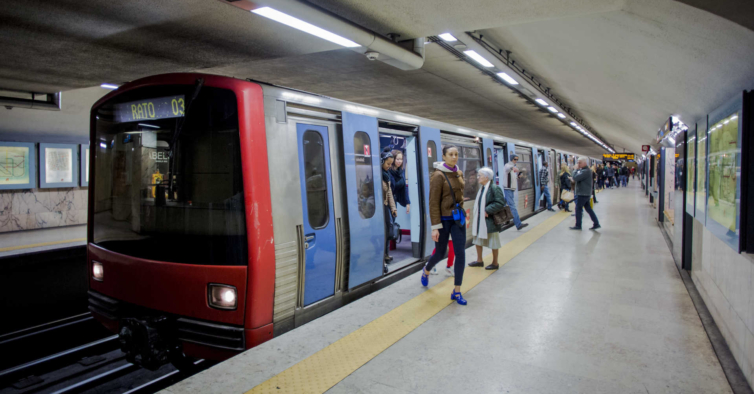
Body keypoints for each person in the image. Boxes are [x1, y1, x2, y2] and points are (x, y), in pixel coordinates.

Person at [421, 145, 468, 305]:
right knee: (441, 253)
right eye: (451, 154)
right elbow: (433, 203)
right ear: (444, 156)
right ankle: (426, 270)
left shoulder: (459, 173)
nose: (454, 157)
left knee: (460, 253)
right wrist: (435, 227)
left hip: (457, 219)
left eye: (456, 154)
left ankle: (457, 291)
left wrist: (463, 213)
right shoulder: (438, 175)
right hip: (443, 220)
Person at [468, 167, 506, 270]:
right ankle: (479, 260)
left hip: (490, 220)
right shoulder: (482, 188)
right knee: (477, 240)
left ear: (486, 177)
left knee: (493, 241)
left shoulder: (494, 188)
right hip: (480, 220)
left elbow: (500, 202)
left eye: (479, 175)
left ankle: (495, 263)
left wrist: (487, 210)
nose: (477, 178)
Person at [570, 158, 601, 231]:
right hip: (584, 193)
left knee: (578, 209)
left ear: (585, 163)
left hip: (582, 194)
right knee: (588, 209)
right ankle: (596, 223)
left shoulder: (586, 171)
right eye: (578, 162)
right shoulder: (585, 171)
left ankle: (578, 225)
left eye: (579, 162)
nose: (578, 164)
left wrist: (575, 170)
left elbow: (575, 178)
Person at [502, 155, 529, 230]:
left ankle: (501, 220)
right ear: (511, 159)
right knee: (512, 207)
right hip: (508, 190)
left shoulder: (512, 168)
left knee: (504, 205)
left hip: (510, 190)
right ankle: (518, 224)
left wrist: (518, 177)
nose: (516, 161)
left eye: (517, 159)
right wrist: (513, 168)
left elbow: (511, 179)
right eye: (515, 159)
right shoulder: (507, 165)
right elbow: (507, 168)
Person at [381, 149, 398, 264]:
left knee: (388, 229)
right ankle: (383, 254)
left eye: (391, 164)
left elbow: (389, 193)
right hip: (379, 208)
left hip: (386, 206)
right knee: (385, 230)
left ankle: (386, 253)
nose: (389, 166)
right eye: (387, 163)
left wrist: (393, 208)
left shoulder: (386, 175)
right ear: (382, 161)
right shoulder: (377, 175)